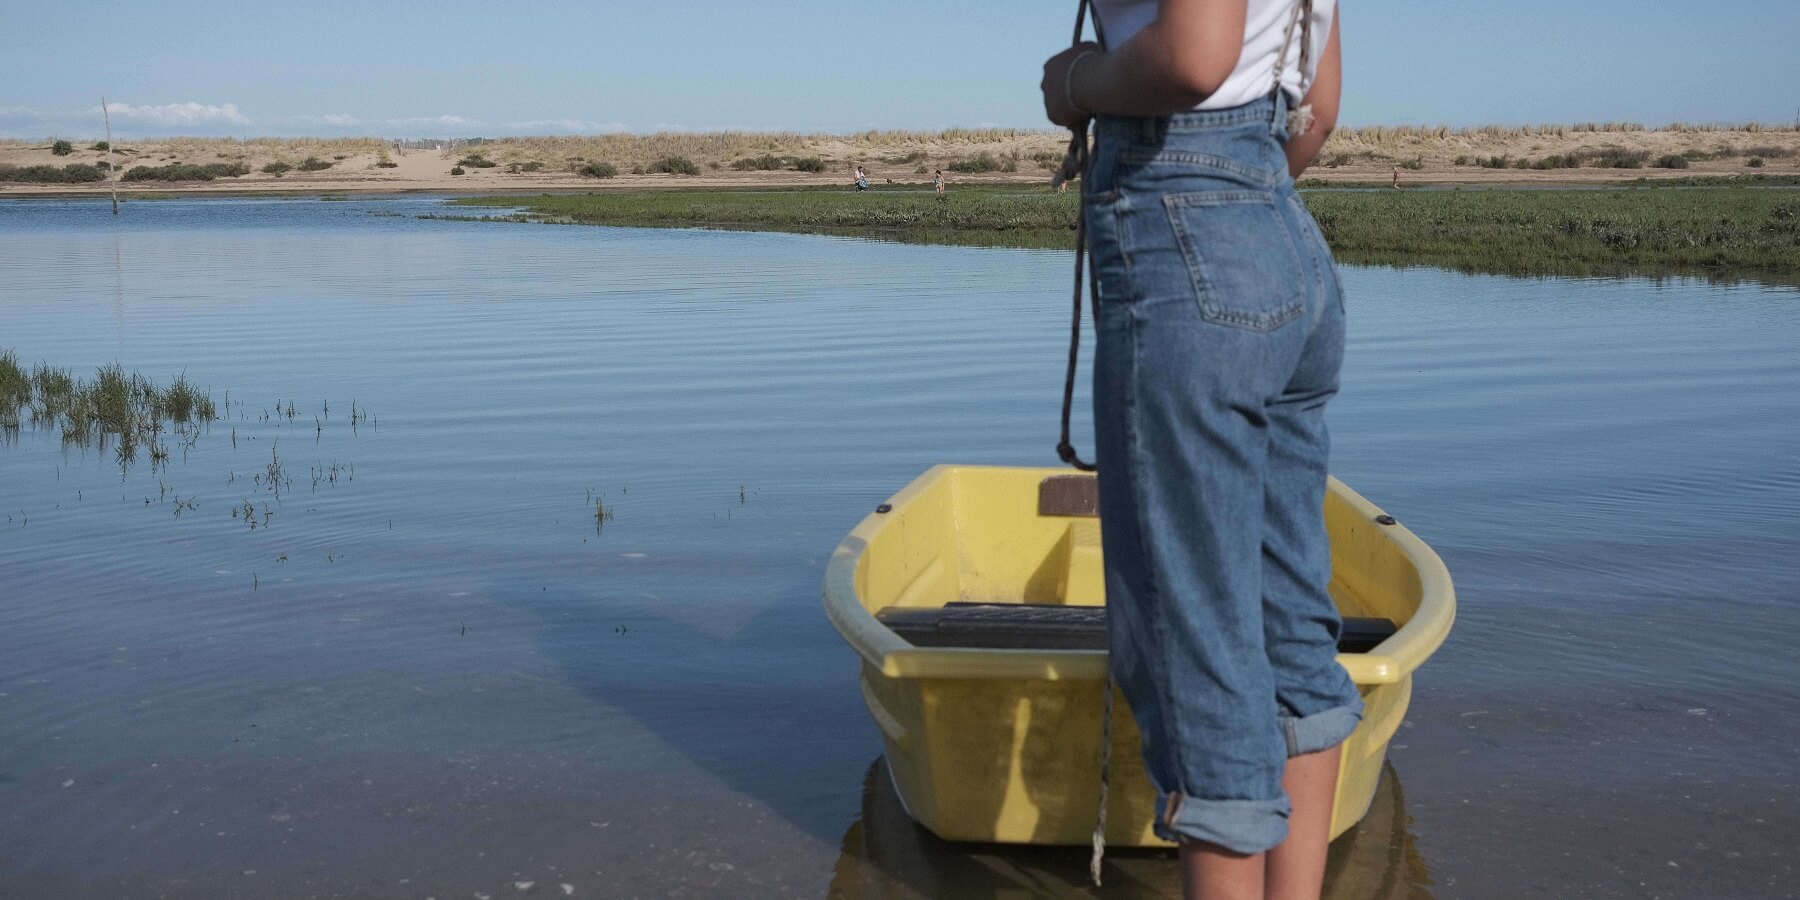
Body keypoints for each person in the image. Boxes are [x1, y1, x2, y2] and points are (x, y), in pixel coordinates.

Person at [1041, 1, 1350, 898]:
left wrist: (1072, 83)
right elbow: (1319, 108)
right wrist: (1237, 198)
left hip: (1185, 238)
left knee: (1198, 652)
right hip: (1283, 234)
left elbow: (1194, 56)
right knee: (1290, 627)